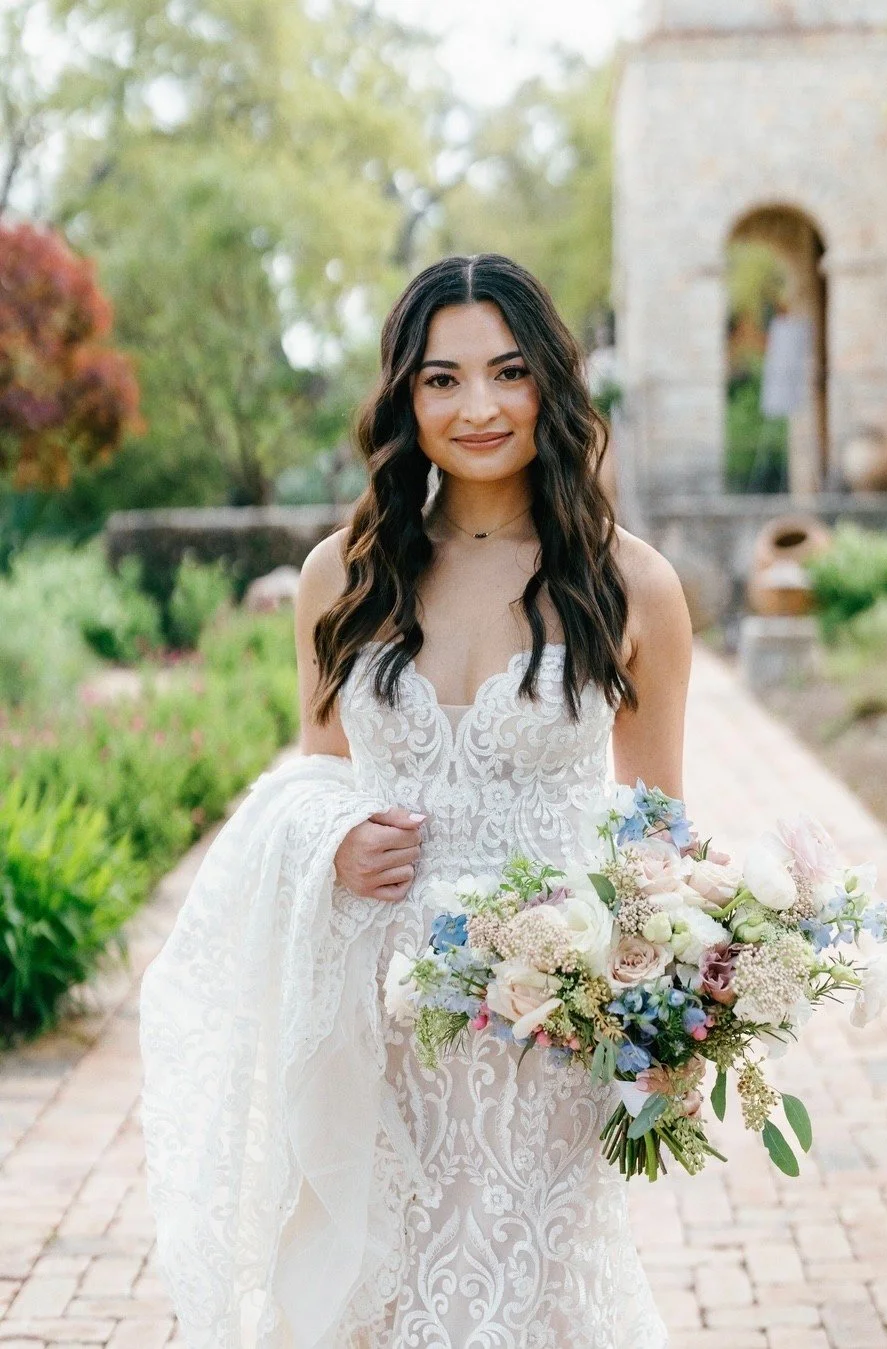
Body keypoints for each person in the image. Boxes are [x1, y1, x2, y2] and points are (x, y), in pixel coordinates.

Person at [139, 253, 692, 1349]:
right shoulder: (341, 575)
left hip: (550, 1031)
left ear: (554, 385)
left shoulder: (634, 584)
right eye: (442, 379)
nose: (477, 407)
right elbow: (309, 782)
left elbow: (660, 824)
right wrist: (334, 843)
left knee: (533, 1293)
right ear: (404, 396)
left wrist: (667, 1017)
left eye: (509, 372)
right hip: (375, 1017)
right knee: (371, 1290)